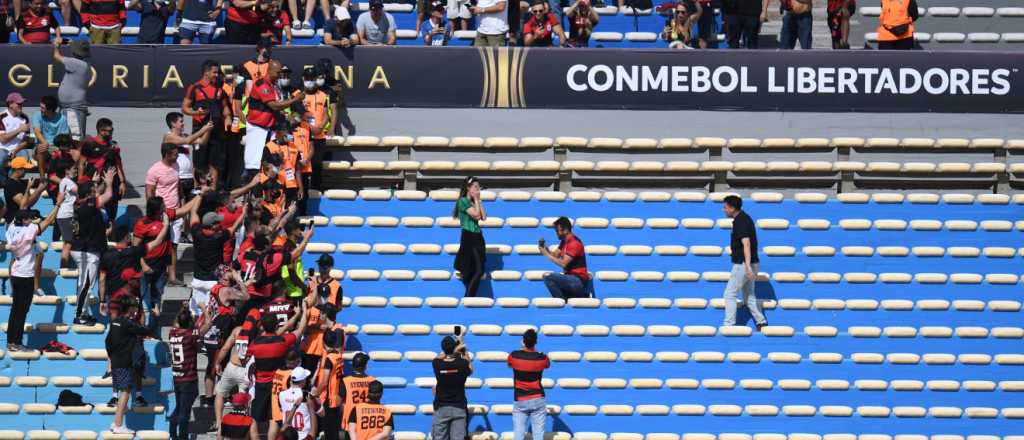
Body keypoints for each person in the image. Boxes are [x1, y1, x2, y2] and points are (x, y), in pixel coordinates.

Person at [132, 196, 199, 329]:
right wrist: (143, 265)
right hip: (146, 267)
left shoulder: (165, 216)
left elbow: (184, 210)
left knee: (157, 299)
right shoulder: (142, 224)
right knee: (145, 300)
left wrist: (200, 195)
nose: (165, 207)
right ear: (157, 210)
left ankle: (154, 330)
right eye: (163, 205)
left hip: (161, 267)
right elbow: (135, 249)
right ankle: (143, 330)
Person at [5, 201, 61, 352]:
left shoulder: (11, 228)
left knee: (15, 310)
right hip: (25, 275)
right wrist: (58, 205)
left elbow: (22, 209)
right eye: (28, 219)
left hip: (16, 273)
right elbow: (48, 221)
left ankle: (11, 341)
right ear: (24, 221)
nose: (31, 220)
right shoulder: (28, 232)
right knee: (22, 310)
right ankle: (16, 342)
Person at [106, 296, 158, 434]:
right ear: (130, 309)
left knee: (124, 391)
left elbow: (107, 342)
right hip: (124, 362)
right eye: (135, 306)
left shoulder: (115, 322)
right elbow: (146, 331)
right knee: (126, 392)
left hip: (117, 361)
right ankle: (118, 424)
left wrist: (113, 357)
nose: (137, 309)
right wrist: (155, 317)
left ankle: (115, 422)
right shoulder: (127, 323)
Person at [244, 60, 304, 180]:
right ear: (270, 70)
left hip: (269, 128)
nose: (279, 76)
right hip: (257, 128)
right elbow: (274, 105)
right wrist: (295, 99)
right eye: (277, 73)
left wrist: (281, 113)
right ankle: (252, 193)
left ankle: (266, 190)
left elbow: (274, 107)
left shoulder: (273, 85)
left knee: (270, 160)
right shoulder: (262, 84)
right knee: (254, 163)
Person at [70, 170, 116, 325]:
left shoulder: (79, 202)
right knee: (86, 284)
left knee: (85, 283)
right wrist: (109, 182)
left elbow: (93, 195)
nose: (97, 191)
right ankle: (79, 316)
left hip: (83, 248)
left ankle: (83, 312)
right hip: (87, 251)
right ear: (89, 193)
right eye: (94, 190)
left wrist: (94, 182)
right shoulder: (88, 205)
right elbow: (107, 196)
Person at [249, 307, 307, 423]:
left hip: (261, 384)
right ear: (276, 326)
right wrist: (304, 311)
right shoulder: (282, 341)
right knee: (274, 416)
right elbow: (300, 330)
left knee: (255, 417)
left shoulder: (254, 344)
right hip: (278, 383)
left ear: (262, 327)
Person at [182, 60, 232, 188]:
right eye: (214, 72)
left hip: (216, 131)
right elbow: (184, 108)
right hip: (200, 130)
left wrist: (228, 117)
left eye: (217, 72)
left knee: (214, 163)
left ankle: (212, 191)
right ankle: (197, 192)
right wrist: (196, 113)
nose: (217, 75)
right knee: (199, 164)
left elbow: (225, 107)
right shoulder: (194, 88)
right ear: (206, 73)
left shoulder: (220, 90)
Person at [721, 195, 768, 329]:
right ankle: (761, 322)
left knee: (729, 294)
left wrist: (747, 266)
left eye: (725, 207)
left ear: (732, 208)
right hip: (752, 262)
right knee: (749, 296)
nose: (723, 210)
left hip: (743, 264)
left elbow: (746, 244)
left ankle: (728, 325)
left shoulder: (740, 221)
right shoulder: (745, 218)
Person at [168, 307, 215, 440]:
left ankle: (172, 432)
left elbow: (176, 322)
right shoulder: (190, 334)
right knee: (184, 412)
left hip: (177, 378)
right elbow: (209, 324)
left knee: (179, 407)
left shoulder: (172, 333)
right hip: (188, 379)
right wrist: (204, 310)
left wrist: (182, 311)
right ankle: (182, 437)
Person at [81, 118, 127, 223]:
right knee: (94, 210)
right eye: (107, 131)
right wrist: (81, 181)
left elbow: (118, 164)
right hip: (95, 183)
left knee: (111, 213)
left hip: (112, 183)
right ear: (100, 131)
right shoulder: (89, 144)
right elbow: (81, 164)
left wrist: (122, 182)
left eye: (111, 130)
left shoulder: (114, 145)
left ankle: (111, 233)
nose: (110, 133)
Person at [508, 329, 550, 440]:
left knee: (518, 433)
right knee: (538, 435)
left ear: (523, 341)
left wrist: (522, 348)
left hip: (520, 398)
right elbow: (547, 364)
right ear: (536, 342)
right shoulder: (542, 357)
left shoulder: (514, 356)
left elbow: (509, 364)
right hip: (538, 397)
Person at [431, 334, 472, 440]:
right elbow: (470, 368)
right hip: (459, 406)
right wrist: (463, 351)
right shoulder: (462, 363)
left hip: (441, 407)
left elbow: (439, 357)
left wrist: (452, 351)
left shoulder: (436, 363)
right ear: (455, 348)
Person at [539, 216, 591, 299]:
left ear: (566, 230)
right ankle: (567, 298)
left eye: (557, 231)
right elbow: (555, 255)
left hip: (578, 281)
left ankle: (564, 300)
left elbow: (563, 264)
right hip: (570, 279)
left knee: (548, 276)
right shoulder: (564, 242)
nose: (556, 233)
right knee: (551, 280)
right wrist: (546, 249)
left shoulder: (574, 243)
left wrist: (546, 254)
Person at [452, 177, 486, 297]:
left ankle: (470, 297)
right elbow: (476, 216)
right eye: (475, 187)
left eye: (479, 188)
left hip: (478, 236)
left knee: (476, 270)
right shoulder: (463, 201)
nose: (478, 190)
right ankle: (469, 298)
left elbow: (484, 217)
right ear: (468, 188)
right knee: (477, 270)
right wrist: (476, 200)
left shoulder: (474, 202)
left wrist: (478, 201)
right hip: (469, 236)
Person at [53, 40, 91, 141]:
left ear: (74, 52)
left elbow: (56, 56)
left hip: (72, 109)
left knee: (75, 140)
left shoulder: (75, 63)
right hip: (70, 108)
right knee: (69, 137)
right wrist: (71, 42)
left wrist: (56, 45)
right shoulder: (83, 64)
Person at [312, 330, 344, 440]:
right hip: (336, 396)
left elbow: (325, 381)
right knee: (334, 429)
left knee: (330, 431)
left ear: (324, 342)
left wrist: (315, 394)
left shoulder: (329, 359)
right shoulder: (339, 356)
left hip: (329, 399)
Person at [32, 96, 70, 176]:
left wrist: (57, 150)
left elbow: (63, 138)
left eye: (43, 108)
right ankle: (42, 178)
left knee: (62, 154)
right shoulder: (37, 115)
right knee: (41, 149)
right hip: (41, 146)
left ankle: (56, 179)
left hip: (56, 147)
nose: (40, 109)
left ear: (50, 109)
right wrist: (45, 143)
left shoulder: (62, 119)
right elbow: (37, 131)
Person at [340, 352, 375, 433]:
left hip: (350, 419)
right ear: (365, 366)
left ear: (353, 366)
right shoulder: (372, 380)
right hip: (366, 419)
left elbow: (339, 402)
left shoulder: (346, 381)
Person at [279, 367, 317, 440]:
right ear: (303, 381)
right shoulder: (307, 395)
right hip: (304, 435)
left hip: (287, 436)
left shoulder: (281, 395)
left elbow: (285, 425)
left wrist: (294, 406)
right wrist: (312, 407)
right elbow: (322, 413)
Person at [0, 92, 32, 168]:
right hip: (2, 149)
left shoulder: (25, 118)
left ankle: (12, 179)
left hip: (19, 149)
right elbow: (3, 139)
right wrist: (19, 130)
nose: (21, 106)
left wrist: (15, 150)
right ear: (10, 104)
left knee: (24, 159)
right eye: (19, 104)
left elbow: (26, 140)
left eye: (22, 104)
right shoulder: (1, 117)